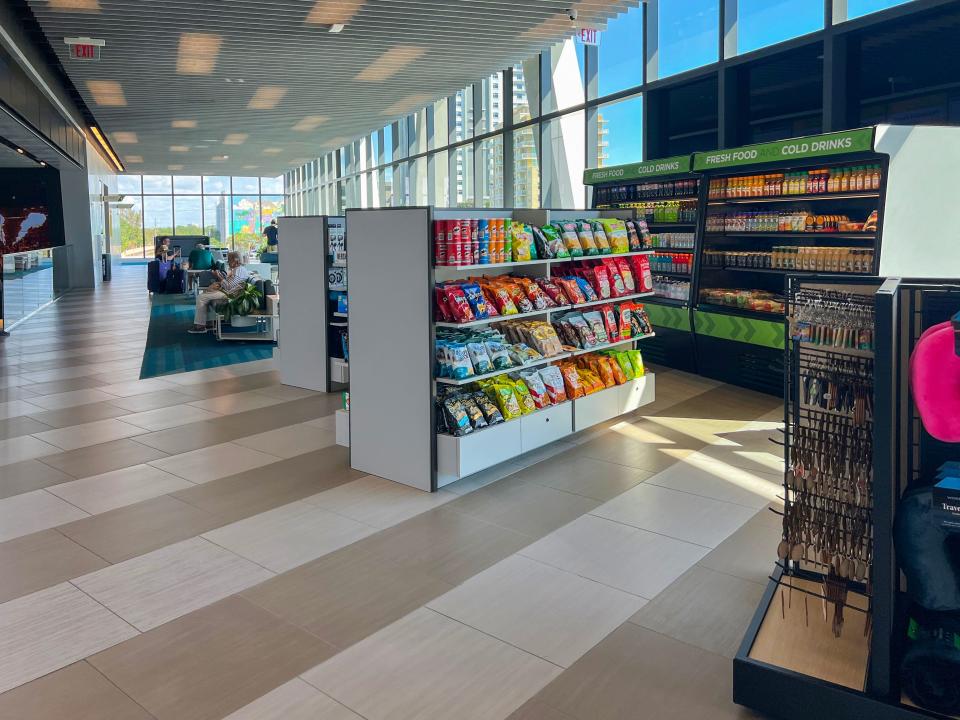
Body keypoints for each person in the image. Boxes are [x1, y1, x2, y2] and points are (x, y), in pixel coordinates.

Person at [189, 251, 250, 333]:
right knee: (205, 295)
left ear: (236, 260)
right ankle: (208, 322)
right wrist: (219, 281)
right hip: (228, 292)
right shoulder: (237, 269)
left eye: (229, 260)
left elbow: (228, 286)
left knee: (201, 297)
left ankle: (200, 327)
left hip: (230, 294)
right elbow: (229, 283)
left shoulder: (238, 271)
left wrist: (218, 276)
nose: (228, 262)